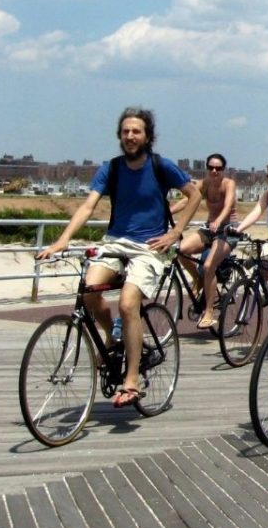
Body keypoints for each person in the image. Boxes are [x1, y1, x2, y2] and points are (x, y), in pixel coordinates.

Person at [37, 107, 201, 408]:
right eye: (125, 131)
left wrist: (175, 233)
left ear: (147, 136)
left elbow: (194, 195)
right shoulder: (110, 168)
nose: (130, 136)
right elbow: (87, 207)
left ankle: (133, 378)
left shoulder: (160, 166)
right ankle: (113, 342)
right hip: (115, 242)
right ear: (119, 135)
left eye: (136, 131)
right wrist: (62, 241)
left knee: (128, 304)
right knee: (88, 292)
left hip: (148, 247)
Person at [168, 153, 238, 329]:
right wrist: (168, 212)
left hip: (227, 231)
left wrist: (219, 220)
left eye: (219, 168)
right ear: (207, 169)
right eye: (211, 168)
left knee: (208, 266)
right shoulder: (204, 183)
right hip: (210, 229)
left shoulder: (228, 184)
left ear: (224, 170)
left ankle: (208, 311)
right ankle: (197, 279)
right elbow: (187, 200)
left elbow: (229, 205)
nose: (214, 171)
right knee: (180, 249)